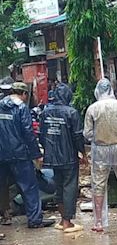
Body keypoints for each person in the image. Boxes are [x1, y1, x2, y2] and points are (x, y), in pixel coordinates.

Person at [83, 78, 117, 232]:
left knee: (99, 184)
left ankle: (99, 222)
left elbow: (87, 134)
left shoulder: (92, 109)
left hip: (100, 150)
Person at [0, 82, 55, 228]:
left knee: (2, 187)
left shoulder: (0, 105)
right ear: (24, 94)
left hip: (1, 155)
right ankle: (35, 220)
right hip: (20, 155)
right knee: (29, 187)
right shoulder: (21, 108)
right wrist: (36, 155)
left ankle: (5, 216)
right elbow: (28, 133)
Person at [39, 83, 85, 233]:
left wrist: (47, 150)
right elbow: (77, 136)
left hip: (52, 157)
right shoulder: (71, 112)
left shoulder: (45, 112)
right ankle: (67, 222)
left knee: (59, 187)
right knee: (70, 187)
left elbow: (42, 134)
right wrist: (82, 152)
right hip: (68, 156)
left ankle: (61, 219)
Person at [0, 76, 14, 225]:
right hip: (16, 152)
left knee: (3, 184)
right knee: (26, 182)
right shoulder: (19, 106)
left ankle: (6, 212)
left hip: (3, 151)